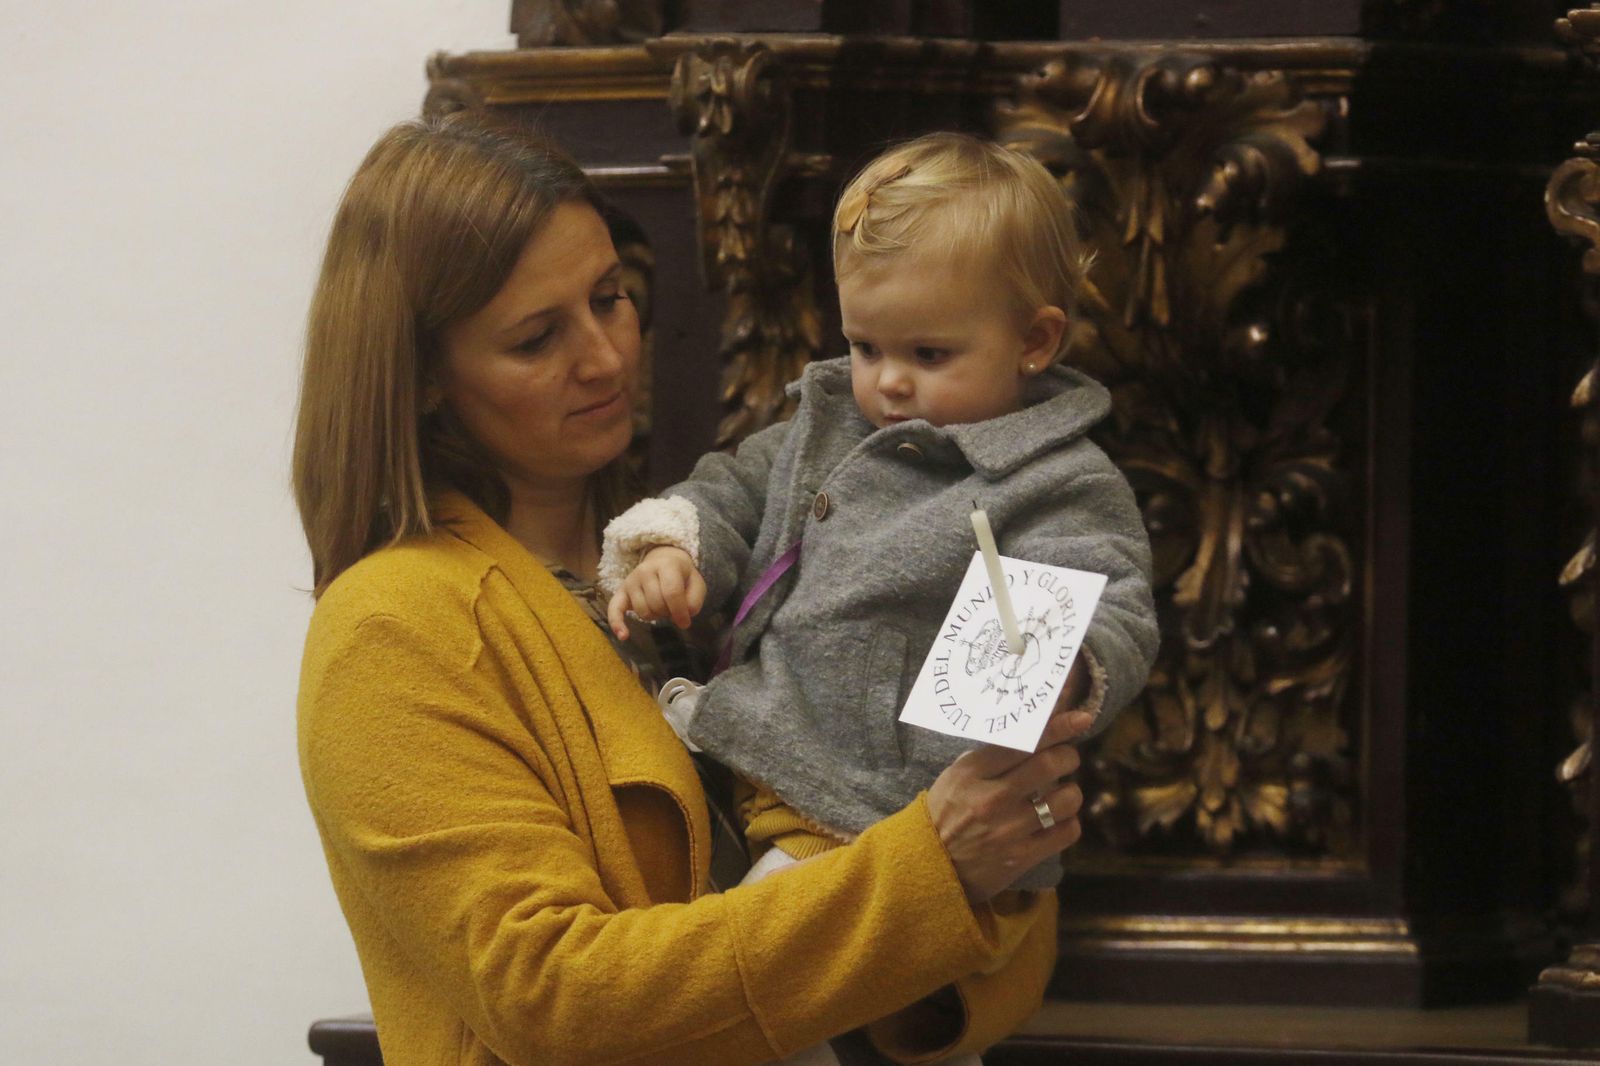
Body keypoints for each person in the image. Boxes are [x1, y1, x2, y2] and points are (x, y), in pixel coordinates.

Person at [293, 115, 1100, 1066]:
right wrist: (927, 873)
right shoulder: (394, 624)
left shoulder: (727, 545)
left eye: (609, 297)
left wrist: (991, 847)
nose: (602, 356)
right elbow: (552, 1001)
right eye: (535, 338)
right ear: (425, 377)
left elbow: (999, 939)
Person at [601, 132, 1159, 900]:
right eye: (864, 346)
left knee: (753, 957)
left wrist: (1073, 665)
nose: (888, 381)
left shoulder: (1056, 480)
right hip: (752, 748)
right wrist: (677, 546)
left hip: (884, 804)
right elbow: (735, 485)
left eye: (929, 355)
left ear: (1034, 340)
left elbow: (1117, 604)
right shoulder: (829, 424)